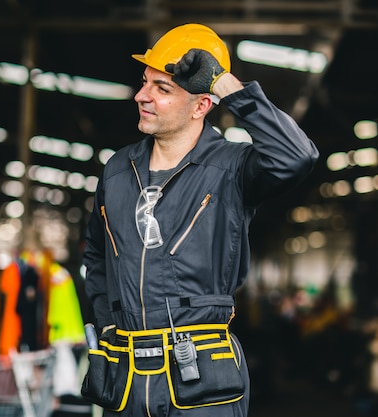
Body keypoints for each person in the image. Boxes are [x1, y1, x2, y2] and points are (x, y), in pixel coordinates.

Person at [81, 23, 319, 417]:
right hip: (125, 382)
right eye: (145, 83)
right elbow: (96, 258)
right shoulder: (117, 170)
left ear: (201, 105)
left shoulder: (232, 168)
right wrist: (108, 326)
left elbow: (296, 156)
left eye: (163, 89)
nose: (142, 96)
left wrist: (224, 83)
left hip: (200, 378)